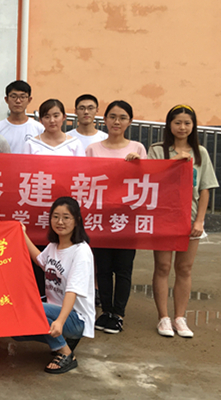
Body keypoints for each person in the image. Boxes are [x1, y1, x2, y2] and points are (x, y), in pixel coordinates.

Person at [148, 104, 219, 338]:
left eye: (187, 123)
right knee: (163, 267)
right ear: (169, 125)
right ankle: (163, 318)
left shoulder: (200, 152)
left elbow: (205, 189)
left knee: (184, 268)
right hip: (163, 219)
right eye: (177, 122)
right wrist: (175, 160)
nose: (182, 127)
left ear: (193, 126)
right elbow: (149, 177)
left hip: (189, 219)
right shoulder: (157, 150)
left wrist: (200, 221)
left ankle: (180, 317)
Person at [85, 100, 147, 334]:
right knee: (102, 268)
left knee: (123, 268)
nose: (116, 122)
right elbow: (86, 179)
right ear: (105, 120)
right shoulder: (93, 149)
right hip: (100, 218)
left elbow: (148, 182)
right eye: (112, 117)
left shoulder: (138, 148)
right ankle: (105, 311)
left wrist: (138, 166)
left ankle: (118, 314)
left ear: (130, 121)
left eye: (122, 117)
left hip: (127, 219)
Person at [16, 197, 95, 374]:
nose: (60, 222)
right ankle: (63, 340)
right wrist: (22, 234)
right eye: (56, 217)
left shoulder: (81, 252)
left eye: (66, 217)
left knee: (30, 307)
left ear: (77, 220)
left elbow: (72, 291)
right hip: (55, 311)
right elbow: (41, 261)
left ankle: (66, 352)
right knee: (17, 330)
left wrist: (60, 321)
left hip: (75, 318)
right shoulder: (54, 246)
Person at [0, 80, 44, 153]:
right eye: (13, 97)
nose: (18, 101)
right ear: (6, 99)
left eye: (22, 97)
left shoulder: (39, 128)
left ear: (29, 100)